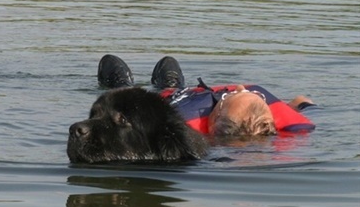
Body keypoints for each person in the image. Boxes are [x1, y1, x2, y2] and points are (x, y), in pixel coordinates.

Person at [97, 54, 316, 136]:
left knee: (112, 66)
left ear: (215, 118)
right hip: (180, 90)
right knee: (168, 63)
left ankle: (122, 86)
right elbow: (298, 103)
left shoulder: (184, 126)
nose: (239, 87)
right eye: (252, 93)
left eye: (225, 98)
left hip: (160, 100)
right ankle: (171, 85)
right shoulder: (265, 117)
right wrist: (302, 105)